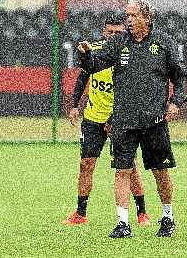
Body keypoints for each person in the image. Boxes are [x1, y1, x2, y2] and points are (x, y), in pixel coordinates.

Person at [77, 0, 187, 238]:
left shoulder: (164, 43)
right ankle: (122, 223)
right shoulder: (119, 42)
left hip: (154, 120)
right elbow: (96, 64)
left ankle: (167, 216)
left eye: (132, 15)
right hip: (123, 120)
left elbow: (180, 77)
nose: (128, 19)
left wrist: (176, 102)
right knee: (122, 170)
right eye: (126, 15)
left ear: (146, 18)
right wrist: (86, 56)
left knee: (160, 171)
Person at [62, 13, 151, 227]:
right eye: (109, 32)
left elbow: (134, 91)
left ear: (125, 32)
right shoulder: (95, 51)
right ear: (104, 32)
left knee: (129, 167)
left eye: (117, 32)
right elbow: (83, 75)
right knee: (86, 164)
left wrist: (115, 117)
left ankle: (142, 213)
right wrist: (75, 105)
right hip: (93, 118)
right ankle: (80, 214)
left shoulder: (131, 54)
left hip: (120, 120)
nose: (112, 36)